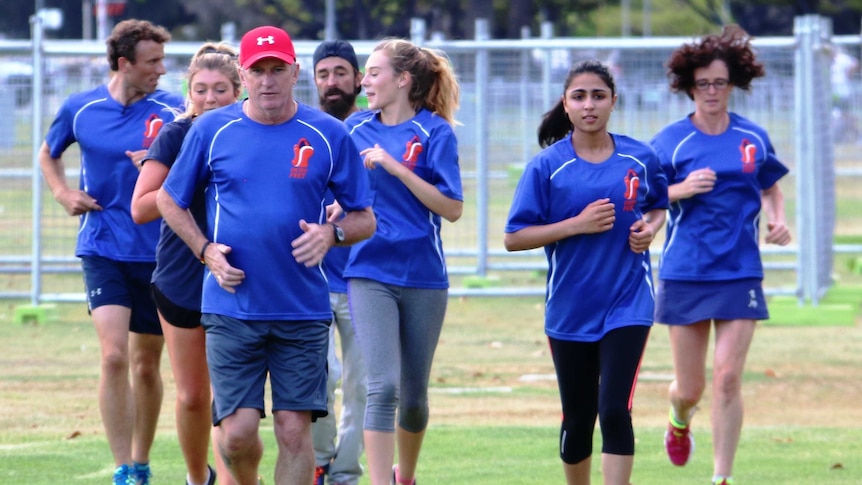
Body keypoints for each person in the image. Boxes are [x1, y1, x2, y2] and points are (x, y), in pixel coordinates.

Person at [155, 25, 376, 485]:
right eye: (259, 70)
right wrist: (205, 251)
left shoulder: (329, 134)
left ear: (295, 72)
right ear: (244, 74)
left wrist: (331, 234)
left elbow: (365, 217)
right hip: (231, 305)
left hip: (302, 309)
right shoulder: (213, 130)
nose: (268, 80)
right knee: (236, 435)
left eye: (278, 69)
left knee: (295, 430)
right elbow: (168, 200)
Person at [504, 59, 668, 485]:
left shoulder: (640, 157)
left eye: (598, 95)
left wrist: (647, 231)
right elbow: (514, 237)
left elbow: (657, 207)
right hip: (570, 309)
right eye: (579, 96)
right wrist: (575, 224)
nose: (589, 104)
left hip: (628, 303)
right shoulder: (546, 166)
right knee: (578, 418)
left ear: (614, 101)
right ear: (566, 104)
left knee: (614, 408)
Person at [37, 19, 184, 485]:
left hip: (159, 251)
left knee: (146, 364)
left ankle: (141, 459)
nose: (161, 70)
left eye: (163, 61)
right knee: (114, 356)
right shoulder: (81, 109)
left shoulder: (175, 109)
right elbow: (48, 152)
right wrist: (62, 193)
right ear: (124, 64)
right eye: (153, 62)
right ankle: (124, 468)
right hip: (102, 246)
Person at [649, 25, 792, 485]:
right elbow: (649, 200)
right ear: (690, 87)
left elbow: (770, 187)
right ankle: (678, 416)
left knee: (728, 378)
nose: (711, 91)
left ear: (733, 85)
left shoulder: (752, 136)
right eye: (703, 84)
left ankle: (721, 478)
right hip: (686, 271)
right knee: (691, 388)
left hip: (740, 271)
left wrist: (777, 218)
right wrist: (681, 189)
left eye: (720, 83)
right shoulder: (671, 141)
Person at [343, 38, 463, 485]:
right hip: (368, 272)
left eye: (374, 72)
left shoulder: (436, 133)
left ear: (403, 80)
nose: (364, 81)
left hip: (424, 277)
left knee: (413, 399)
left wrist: (396, 167)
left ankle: (404, 476)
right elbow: (336, 195)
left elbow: (451, 208)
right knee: (384, 387)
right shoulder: (354, 130)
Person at [130, 42, 242, 485]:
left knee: (232, 398)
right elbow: (140, 207)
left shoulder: (251, 132)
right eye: (201, 89)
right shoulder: (175, 136)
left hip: (238, 278)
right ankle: (199, 477)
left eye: (220, 90)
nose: (210, 98)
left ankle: (235, 476)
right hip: (182, 278)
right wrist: (183, 178)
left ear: (240, 90)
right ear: (188, 92)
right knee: (195, 396)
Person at [310, 40, 367, 485]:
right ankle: (321, 460)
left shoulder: (374, 129)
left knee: (363, 385)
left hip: (368, 279)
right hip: (313, 277)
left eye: (341, 73)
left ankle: (345, 472)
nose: (332, 81)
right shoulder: (302, 130)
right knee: (321, 377)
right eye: (324, 73)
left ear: (358, 78)